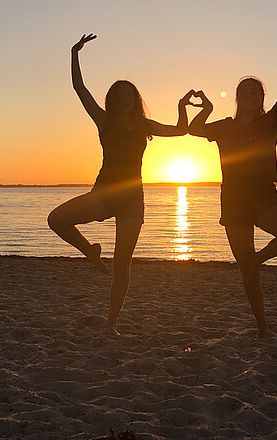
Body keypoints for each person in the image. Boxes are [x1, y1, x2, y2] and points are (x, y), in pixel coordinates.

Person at [48, 33, 197, 336]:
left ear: (136, 99)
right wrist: (74, 53)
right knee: (56, 219)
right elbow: (79, 87)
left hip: (132, 198)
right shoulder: (104, 121)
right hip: (105, 192)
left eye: (129, 95)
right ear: (112, 101)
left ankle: (111, 324)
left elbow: (181, 130)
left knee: (122, 265)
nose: (125, 100)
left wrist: (182, 105)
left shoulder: (145, 126)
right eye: (119, 96)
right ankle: (89, 251)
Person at [189, 29, 277, 339]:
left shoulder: (269, 122)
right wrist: (206, 109)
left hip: (264, 197)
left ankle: (258, 259)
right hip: (234, 201)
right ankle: (263, 328)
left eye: (255, 93)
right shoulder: (224, 127)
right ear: (237, 99)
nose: (249, 98)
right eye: (244, 93)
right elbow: (194, 130)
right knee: (248, 275)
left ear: (261, 99)